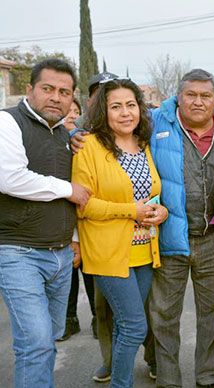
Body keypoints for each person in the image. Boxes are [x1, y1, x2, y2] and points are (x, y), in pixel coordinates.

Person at [0, 58, 90, 387]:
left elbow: (79, 189)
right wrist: (68, 190)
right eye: (48, 89)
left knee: (48, 338)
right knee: (36, 343)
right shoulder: (7, 122)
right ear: (29, 90)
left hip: (61, 255)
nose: (56, 97)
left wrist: (76, 239)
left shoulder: (67, 136)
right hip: (17, 252)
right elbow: (10, 179)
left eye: (64, 92)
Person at [71, 78, 167, 388]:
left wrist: (161, 212)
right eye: (116, 106)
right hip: (109, 254)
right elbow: (84, 205)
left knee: (127, 326)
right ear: (103, 111)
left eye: (131, 105)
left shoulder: (144, 144)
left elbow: (152, 194)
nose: (125, 113)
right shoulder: (90, 147)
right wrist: (131, 211)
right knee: (135, 327)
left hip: (143, 251)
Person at [148, 69, 214, 388]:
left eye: (205, 96)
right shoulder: (155, 123)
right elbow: (113, 130)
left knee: (213, 316)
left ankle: (208, 378)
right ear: (178, 97)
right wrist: (78, 136)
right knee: (163, 316)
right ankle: (168, 379)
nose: (198, 102)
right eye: (191, 95)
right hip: (169, 237)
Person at [58, 97, 98, 342]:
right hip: (64, 220)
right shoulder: (58, 144)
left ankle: (97, 318)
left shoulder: (84, 144)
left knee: (90, 273)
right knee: (68, 275)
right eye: (68, 111)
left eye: (76, 111)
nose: (71, 115)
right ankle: (68, 319)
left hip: (86, 219)